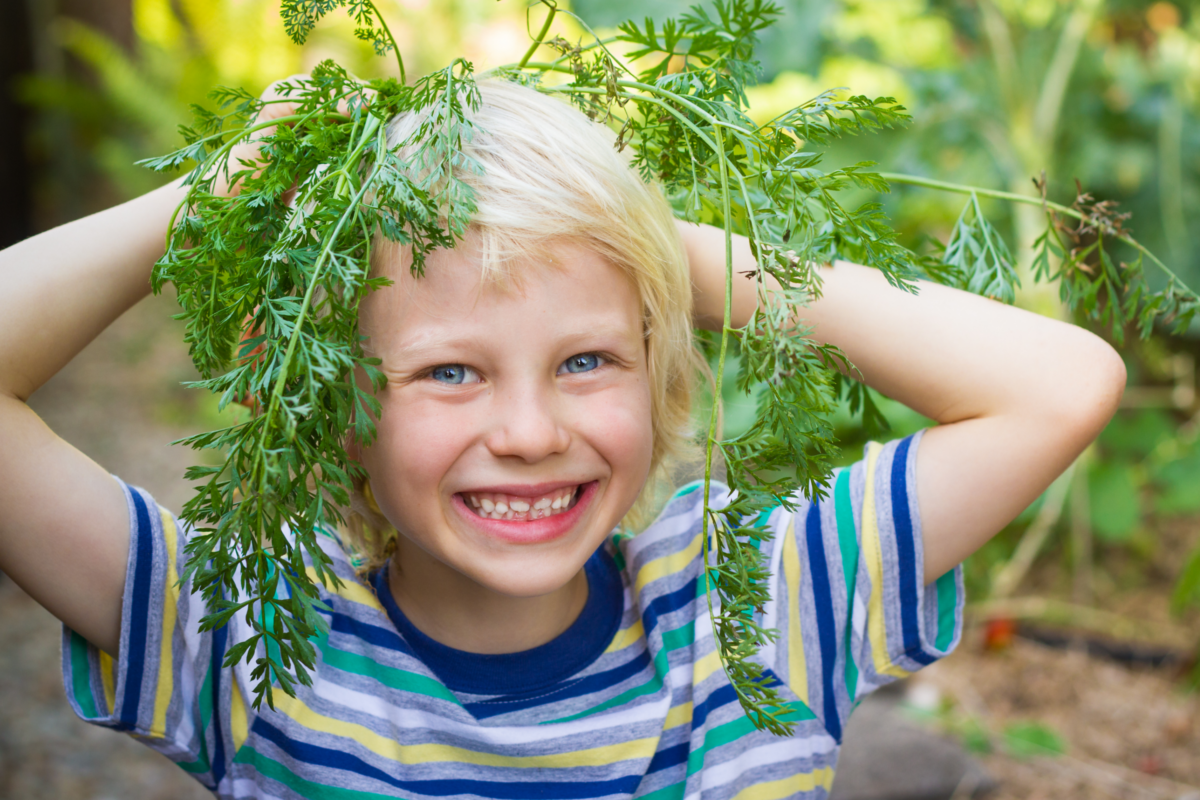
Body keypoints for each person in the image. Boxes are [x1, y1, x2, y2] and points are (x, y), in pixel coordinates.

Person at [0, 77, 1124, 799]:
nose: (532, 431)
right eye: (450, 370)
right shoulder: (249, 638)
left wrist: (651, 246)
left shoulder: (758, 612)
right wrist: (218, 197)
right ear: (331, 404)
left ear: (660, 364)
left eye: (587, 358)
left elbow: (1062, 384)